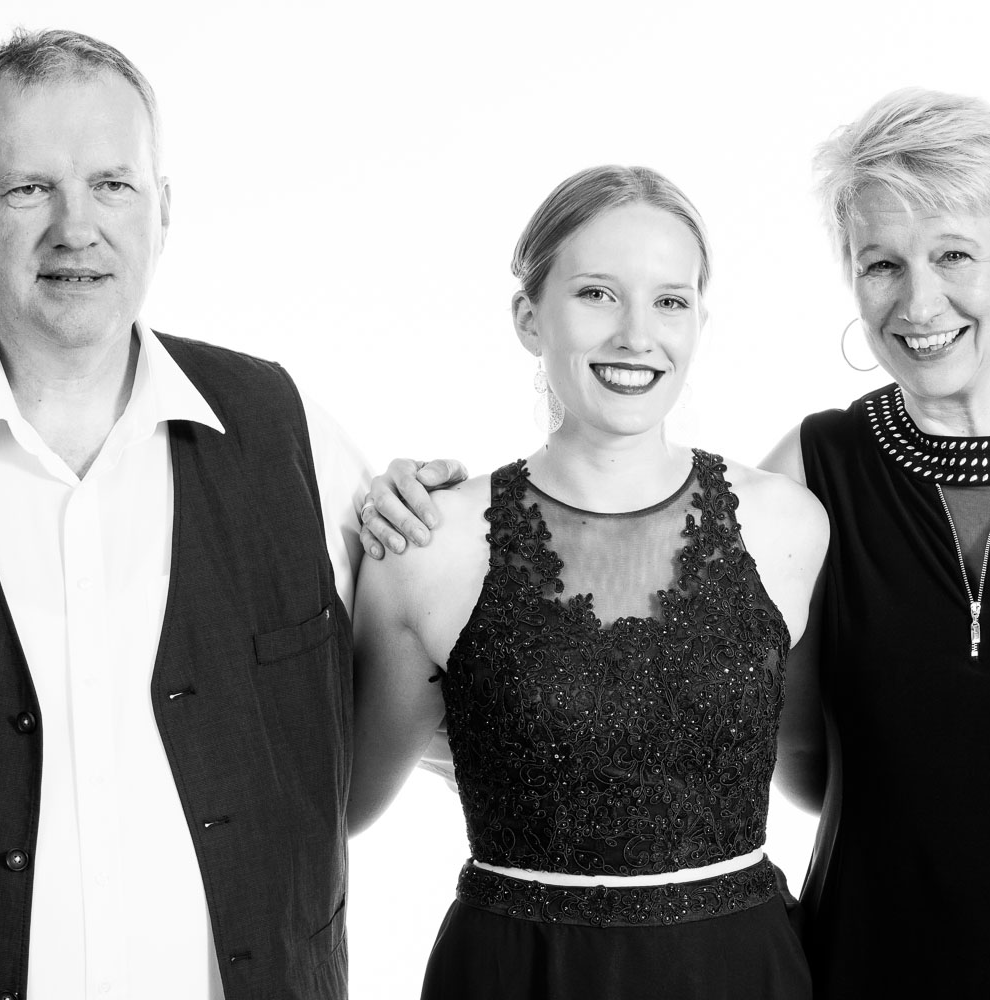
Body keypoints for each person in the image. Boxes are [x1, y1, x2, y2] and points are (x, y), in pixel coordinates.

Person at [361, 90, 990, 999]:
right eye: (881, 264)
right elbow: (655, 698)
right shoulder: (813, 473)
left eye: (954, 254)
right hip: (876, 968)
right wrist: (416, 527)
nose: (919, 301)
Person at [0, 29, 366, 999]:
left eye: (112, 185)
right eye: (28, 189)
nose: (76, 227)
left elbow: (432, 676)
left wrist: (455, 521)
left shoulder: (288, 429)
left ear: (163, 208)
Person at [347, 165, 828, 999]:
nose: (637, 335)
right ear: (529, 318)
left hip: (738, 970)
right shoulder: (426, 542)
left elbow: (815, 775)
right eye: (598, 294)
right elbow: (344, 803)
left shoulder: (790, 525)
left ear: (700, 322)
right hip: (516, 973)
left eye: (669, 301)